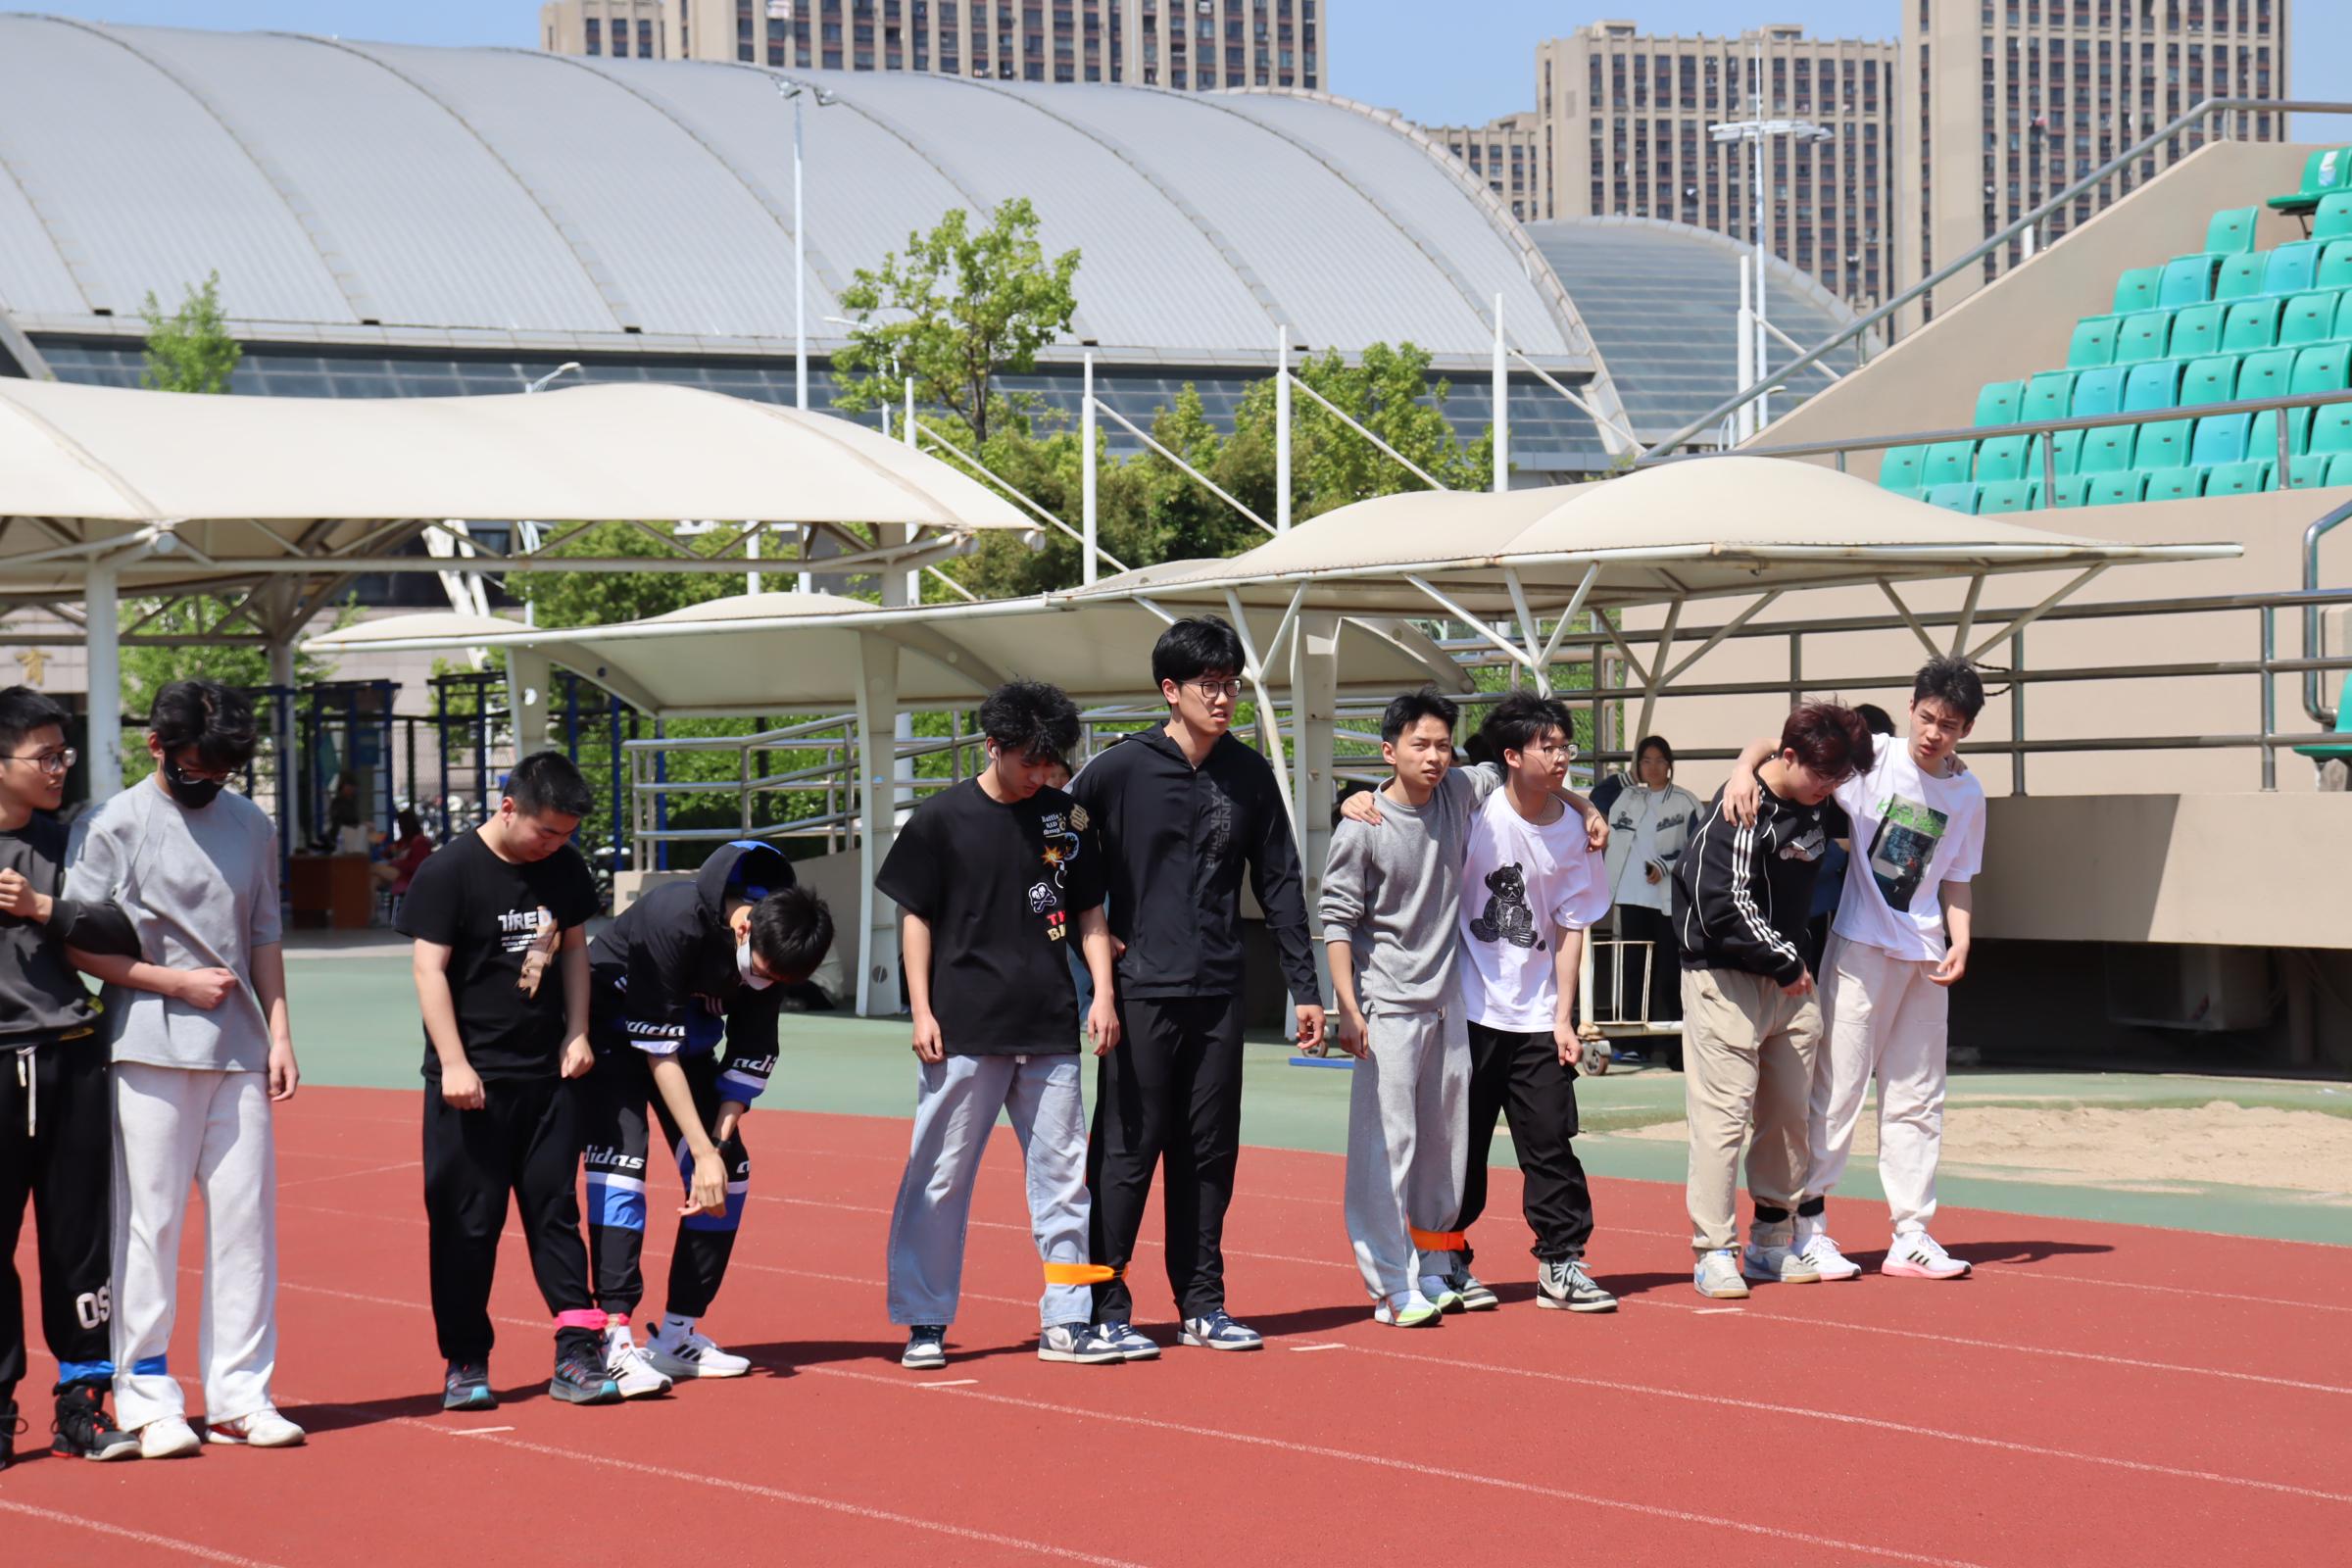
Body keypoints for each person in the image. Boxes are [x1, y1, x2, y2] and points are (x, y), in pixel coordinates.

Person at [1071, 617, 1323, 1357]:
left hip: (1219, 993)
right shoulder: (1117, 771)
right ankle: (1103, 1305)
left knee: (1209, 1152)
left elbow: (1281, 882)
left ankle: (1203, 1304)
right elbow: (1058, 857)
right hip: (1139, 992)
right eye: (1208, 685)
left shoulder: (1249, 775)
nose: (1222, 698)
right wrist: (1087, 964)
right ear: (1169, 690)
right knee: (1126, 1152)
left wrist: (1305, 988)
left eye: (1230, 685)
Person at [67, 680, 305, 1454]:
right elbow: (75, 939)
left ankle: (240, 1396)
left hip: (238, 1049)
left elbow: (263, 933)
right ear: (157, 747)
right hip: (146, 1045)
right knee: (151, 1222)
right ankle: (146, 1397)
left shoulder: (252, 823)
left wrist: (280, 1034)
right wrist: (171, 983)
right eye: (196, 769)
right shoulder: (112, 822)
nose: (209, 783)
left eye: (223, 772)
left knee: (246, 1225)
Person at [879, 680, 1122, 1370]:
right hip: (962, 1029)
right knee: (939, 1178)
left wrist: (1102, 994)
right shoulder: (939, 819)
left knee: (1065, 1180)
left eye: (1050, 763)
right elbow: (915, 916)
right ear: (993, 746)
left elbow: (1090, 912)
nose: (1040, 775)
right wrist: (921, 1009)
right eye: (1028, 762)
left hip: (1049, 1027)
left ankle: (1067, 1319)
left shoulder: (1069, 818)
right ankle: (925, 1320)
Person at [1728, 663, 1987, 1283]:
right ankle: (1809, 1226)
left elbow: (1957, 876)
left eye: (1949, 726)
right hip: (1861, 946)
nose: (1933, 733)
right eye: (1927, 718)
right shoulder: (1871, 758)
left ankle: (1911, 1233)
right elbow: (1782, 745)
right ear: (1912, 707)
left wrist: (1961, 939)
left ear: (1966, 730)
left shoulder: (1968, 794)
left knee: (1918, 1094)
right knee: (1837, 1088)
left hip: (1925, 955)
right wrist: (1742, 769)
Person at [397, 753, 617, 1410]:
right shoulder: (448, 872)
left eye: (567, 834)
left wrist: (578, 1031)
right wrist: (454, 1062)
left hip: (549, 1081)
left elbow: (574, 950)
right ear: (509, 807)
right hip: (472, 1088)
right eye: (546, 831)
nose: (555, 844)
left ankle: (577, 1353)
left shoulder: (565, 868)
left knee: (556, 1214)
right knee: (466, 1226)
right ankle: (466, 1360)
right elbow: (428, 970)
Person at [584, 839, 834, 1391]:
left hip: (684, 1045)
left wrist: (716, 1149)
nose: (764, 984)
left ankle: (676, 1335)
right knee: (621, 1168)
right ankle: (611, 1338)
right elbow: (657, 1051)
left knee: (731, 1174)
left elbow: (747, 1054)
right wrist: (699, 1153)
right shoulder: (673, 918)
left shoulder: (775, 953)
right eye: (762, 972)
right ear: (743, 930)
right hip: (612, 1036)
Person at [1670, 701, 1873, 1301]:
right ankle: (1714, 1251)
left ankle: (1771, 1241)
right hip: (1726, 981)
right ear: (1790, 757)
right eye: (1822, 776)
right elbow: (1722, 904)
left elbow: (1769, 739)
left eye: (1839, 779)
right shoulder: (1741, 809)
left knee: (1788, 1119)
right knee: (1723, 1121)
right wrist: (1787, 962)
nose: (1830, 789)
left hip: (1791, 986)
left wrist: (1746, 757)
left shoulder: (1820, 795)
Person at [0, 687, 142, 1466]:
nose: (59, 768)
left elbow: (124, 929)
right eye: (44, 756)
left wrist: (43, 907)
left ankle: (83, 1403)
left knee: (80, 1238)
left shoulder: (72, 842)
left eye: (64, 754)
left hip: (71, 1056)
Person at [1445, 694, 1618, 1315]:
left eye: (1566, 745)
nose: (1561, 756)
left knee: (1550, 1144)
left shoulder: (1576, 831)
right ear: (1512, 755)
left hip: (1538, 1016)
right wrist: (1363, 799)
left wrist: (1564, 1017)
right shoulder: (1475, 809)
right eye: (1548, 747)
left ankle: (1561, 1264)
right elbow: (1415, 783)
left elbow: (1572, 928)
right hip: (1468, 1011)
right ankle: (1445, 1259)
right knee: (1460, 1148)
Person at [1594, 736, 1703, 1047]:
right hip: (1631, 898)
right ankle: (1633, 1045)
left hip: (1669, 901)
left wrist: (1665, 865)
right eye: (1646, 761)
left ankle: (1675, 1048)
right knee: (1633, 970)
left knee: (1670, 973)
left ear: (1670, 765)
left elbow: (1699, 847)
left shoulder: (1685, 801)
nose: (1653, 767)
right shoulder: (1626, 797)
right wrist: (1631, 776)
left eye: (1659, 760)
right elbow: (1598, 795)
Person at [1804, 706, 1896, 976]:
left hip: (1865, 905)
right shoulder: (1827, 782)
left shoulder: (1891, 784)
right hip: (1825, 899)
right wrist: (1841, 848)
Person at [372, 807, 434, 895]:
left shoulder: (420, 842)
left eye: (400, 825)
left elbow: (417, 866)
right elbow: (387, 853)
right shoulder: (404, 841)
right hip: (399, 873)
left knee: (373, 868)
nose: (399, 828)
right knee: (373, 881)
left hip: (410, 877)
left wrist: (396, 863)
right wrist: (388, 851)